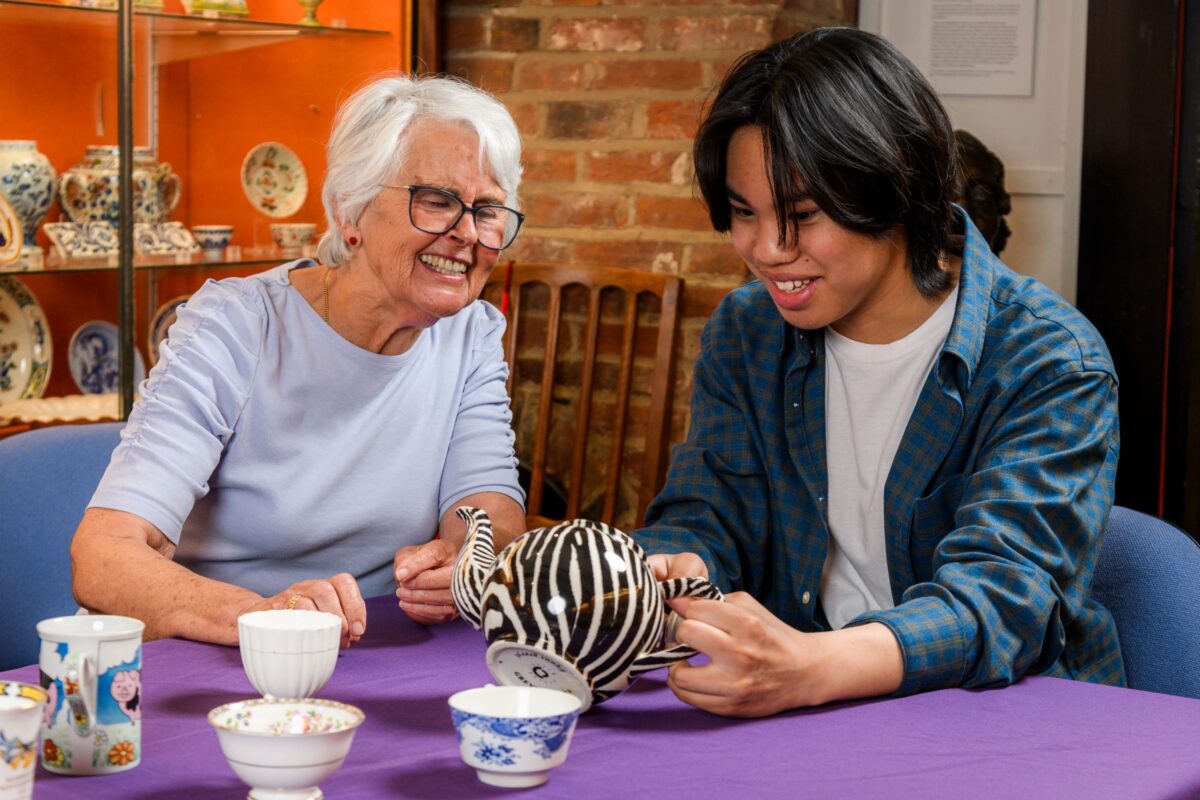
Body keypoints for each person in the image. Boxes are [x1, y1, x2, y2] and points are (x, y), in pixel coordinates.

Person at [634, 28, 1122, 717]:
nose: (769, 251)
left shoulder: (1048, 361)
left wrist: (811, 666)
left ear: (893, 189)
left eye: (804, 214)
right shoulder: (748, 333)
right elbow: (703, 512)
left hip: (1002, 716)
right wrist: (676, 564)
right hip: (800, 714)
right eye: (745, 214)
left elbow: (1003, 600)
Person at [71, 74, 529, 648]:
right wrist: (267, 617)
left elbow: (488, 501)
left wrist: (462, 555)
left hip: (378, 651)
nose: (467, 233)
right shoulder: (236, 323)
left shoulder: (472, 332)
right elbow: (103, 556)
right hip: (222, 655)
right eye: (436, 202)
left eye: (487, 210)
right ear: (350, 213)